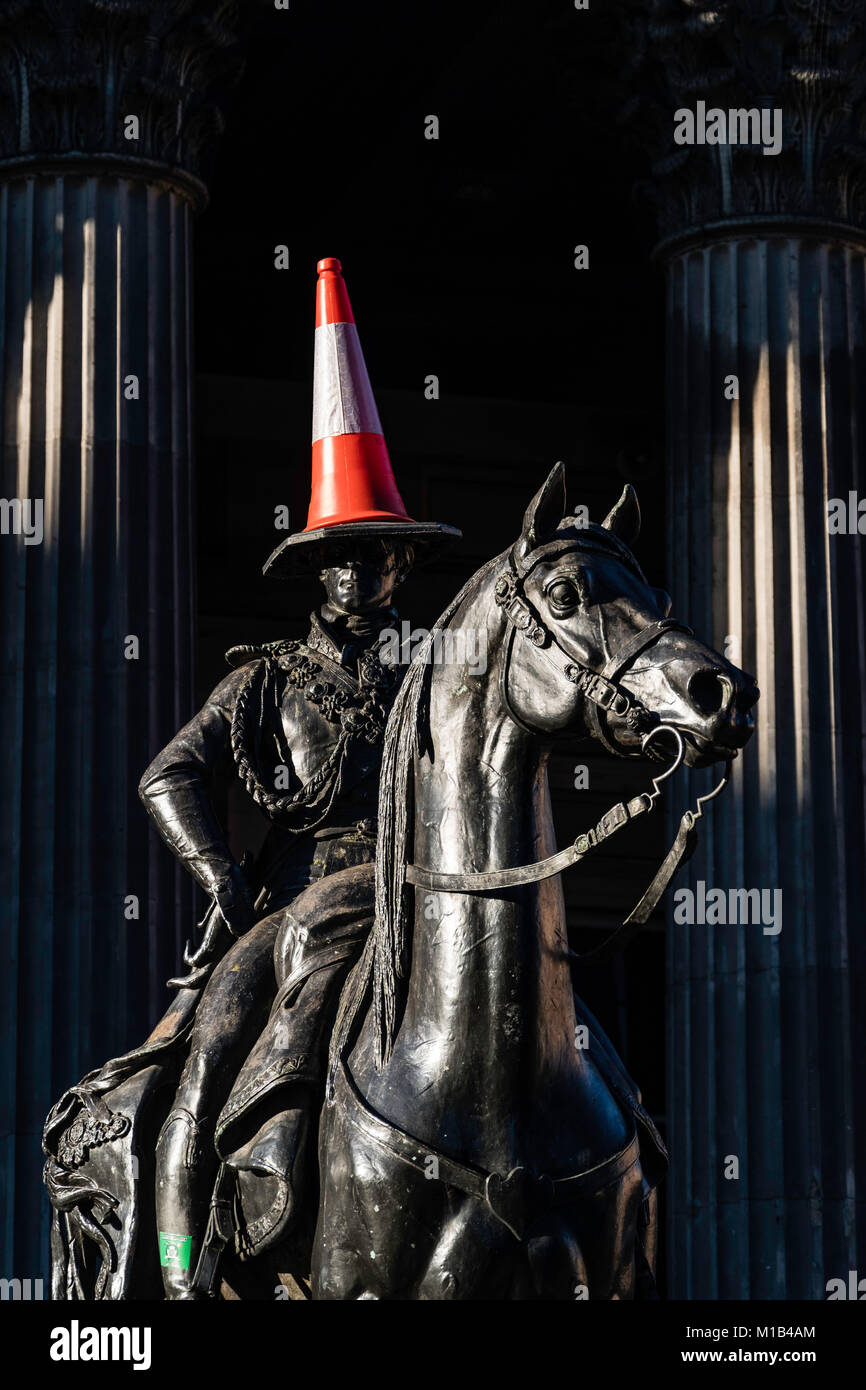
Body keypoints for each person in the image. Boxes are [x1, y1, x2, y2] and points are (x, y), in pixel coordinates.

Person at [137, 257, 459, 1297]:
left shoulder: (434, 676)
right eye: (345, 554)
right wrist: (221, 877)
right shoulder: (263, 681)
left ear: (405, 565)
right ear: (314, 567)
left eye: (381, 555)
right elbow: (165, 774)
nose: (364, 571)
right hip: (288, 908)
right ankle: (186, 1272)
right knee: (199, 1071)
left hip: (420, 899)